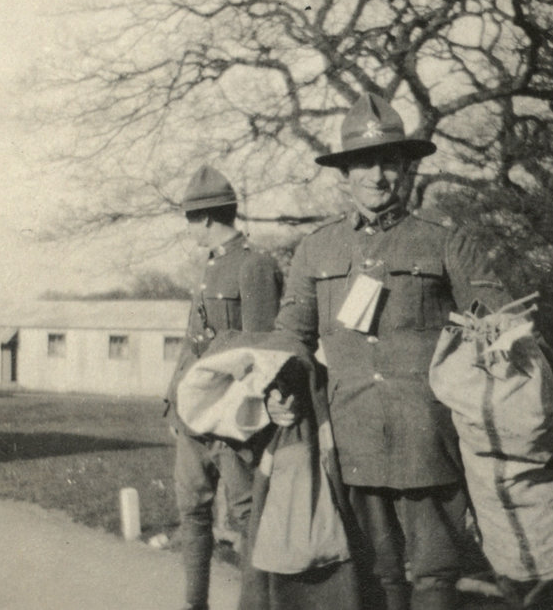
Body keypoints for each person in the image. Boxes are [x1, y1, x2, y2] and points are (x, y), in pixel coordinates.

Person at [269, 92, 510, 610]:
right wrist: (282, 386)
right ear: (344, 173)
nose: (377, 176)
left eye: (388, 162)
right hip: (353, 439)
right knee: (376, 578)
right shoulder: (317, 249)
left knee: (436, 577)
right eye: (364, 164)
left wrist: (486, 339)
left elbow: (503, 323)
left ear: (406, 168)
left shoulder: (444, 242)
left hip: (429, 438)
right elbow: (291, 332)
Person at [164, 165, 283, 610]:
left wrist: (246, 416)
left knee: (249, 517)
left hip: (232, 420)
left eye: (191, 221)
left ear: (207, 219)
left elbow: (262, 352)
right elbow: (191, 343)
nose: (191, 230)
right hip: (194, 417)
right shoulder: (208, 268)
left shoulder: (255, 266)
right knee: (192, 513)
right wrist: (172, 403)